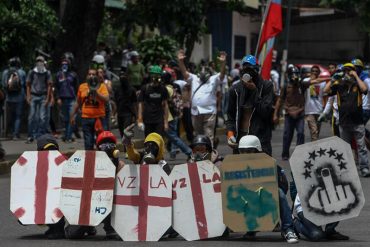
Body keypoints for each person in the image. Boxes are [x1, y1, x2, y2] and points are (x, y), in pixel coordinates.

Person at [237, 135, 299, 244]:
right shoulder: (234, 165)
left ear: (257, 151)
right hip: (247, 198)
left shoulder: (270, 163)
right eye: (242, 151)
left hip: (265, 197)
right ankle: (251, 228)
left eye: (249, 151)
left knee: (279, 193)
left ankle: (288, 229)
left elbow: (283, 185)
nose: (245, 154)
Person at [323, 62, 370, 177]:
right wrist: (334, 78)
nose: (347, 73)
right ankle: (347, 169)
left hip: (357, 121)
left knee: (362, 147)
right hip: (344, 122)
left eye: (350, 70)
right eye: (345, 70)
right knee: (345, 147)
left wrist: (356, 76)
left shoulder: (357, 84)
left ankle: (364, 168)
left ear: (354, 71)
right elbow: (326, 90)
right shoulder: (339, 84)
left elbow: (365, 89)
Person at [226, 55, 274, 155]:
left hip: (260, 139)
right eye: (245, 68)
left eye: (250, 69)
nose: (248, 72)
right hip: (241, 139)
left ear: (257, 70)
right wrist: (230, 133)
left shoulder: (266, 86)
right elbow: (230, 115)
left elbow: (265, 112)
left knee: (262, 168)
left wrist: (255, 91)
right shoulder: (235, 89)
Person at [177, 50, 227, 144]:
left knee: (208, 135)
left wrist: (223, 63)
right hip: (196, 112)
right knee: (198, 136)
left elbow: (222, 74)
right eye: (202, 69)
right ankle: (200, 155)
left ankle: (209, 156)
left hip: (209, 112)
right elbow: (184, 72)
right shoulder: (194, 78)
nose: (203, 71)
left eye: (205, 69)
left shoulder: (213, 79)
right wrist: (180, 61)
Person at [70, 69, 109, 150]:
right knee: (88, 142)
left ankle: (102, 160)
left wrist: (96, 92)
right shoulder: (82, 87)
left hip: (99, 118)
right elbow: (78, 102)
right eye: (89, 74)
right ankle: (89, 161)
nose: (91, 76)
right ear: (87, 76)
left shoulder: (102, 86)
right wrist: (72, 115)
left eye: (93, 74)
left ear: (97, 76)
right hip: (86, 118)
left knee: (102, 142)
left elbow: (106, 99)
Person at [36, 134, 66, 239]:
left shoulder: (63, 161)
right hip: (46, 195)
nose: (51, 152)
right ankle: (53, 227)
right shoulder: (35, 163)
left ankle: (58, 229)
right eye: (47, 150)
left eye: (53, 149)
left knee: (54, 201)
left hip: (63, 197)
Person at [274, 65, 305, 160]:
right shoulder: (285, 86)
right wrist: (275, 114)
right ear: (289, 75)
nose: (294, 76)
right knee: (287, 135)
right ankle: (285, 154)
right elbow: (279, 100)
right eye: (293, 74)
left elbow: (313, 81)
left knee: (300, 133)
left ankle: (299, 153)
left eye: (296, 74)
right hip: (289, 114)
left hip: (300, 114)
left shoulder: (302, 85)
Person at [162, 67, 192, 160]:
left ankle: (189, 151)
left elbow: (164, 104)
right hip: (174, 114)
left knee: (173, 137)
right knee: (174, 135)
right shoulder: (173, 87)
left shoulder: (166, 89)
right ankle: (173, 151)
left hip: (169, 116)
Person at [26, 56, 53, 143]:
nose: (39, 62)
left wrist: (48, 98)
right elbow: (28, 84)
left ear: (43, 62)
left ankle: (40, 135)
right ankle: (30, 135)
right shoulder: (32, 72)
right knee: (32, 117)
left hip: (43, 96)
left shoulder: (47, 73)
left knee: (42, 117)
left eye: (41, 61)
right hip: (34, 96)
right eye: (38, 61)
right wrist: (28, 95)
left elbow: (49, 85)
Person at [137, 65, 169, 137]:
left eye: (157, 75)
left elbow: (165, 106)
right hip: (147, 119)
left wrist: (166, 122)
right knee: (149, 141)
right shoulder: (145, 88)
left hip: (159, 120)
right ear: (151, 76)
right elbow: (140, 104)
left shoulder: (163, 89)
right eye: (154, 75)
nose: (156, 77)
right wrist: (139, 120)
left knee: (158, 140)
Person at [1, 57, 26, 140]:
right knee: (18, 116)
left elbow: (4, 84)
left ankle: (9, 133)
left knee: (10, 116)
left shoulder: (5, 72)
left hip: (8, 98)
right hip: (19, 97)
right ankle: (16, 134)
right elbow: (25, 84)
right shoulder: (22, 72)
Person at [55, 56, 79, 142]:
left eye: (66, 64)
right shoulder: (58, 75)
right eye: (63, 64)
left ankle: (68, 137)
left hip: (72, 99)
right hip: (62, 99)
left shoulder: (73, 74)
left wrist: (77, 99)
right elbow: (56, 87)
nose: (64, 66)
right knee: (65, 119)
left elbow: (77, 87)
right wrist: (58, 98)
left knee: (71, 118)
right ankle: (66, 135)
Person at [302, 65, 328, 142]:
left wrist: (324, 109)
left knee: (317, 132)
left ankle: (314, 146)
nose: (314, 72)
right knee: (314, 131)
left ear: (319, 73)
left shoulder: (322, 83)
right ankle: (314, 149)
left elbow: (324, 96)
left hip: (319, 110)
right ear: (310, 72)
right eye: (313, 71)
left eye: (316, 71)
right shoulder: (306, 80)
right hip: (309, 110)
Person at [114, 71, 137, 138]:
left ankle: (128, 147)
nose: (122, 78)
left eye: (124, 76)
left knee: (126, 132)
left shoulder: (132, 90)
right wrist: (114, 115)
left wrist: (136, 116)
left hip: (128, 114)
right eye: (121, 76)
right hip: (120, 115)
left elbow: (134, 103)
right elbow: (116, 103)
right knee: (122, 134)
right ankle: (125, 148)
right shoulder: (117, 90)